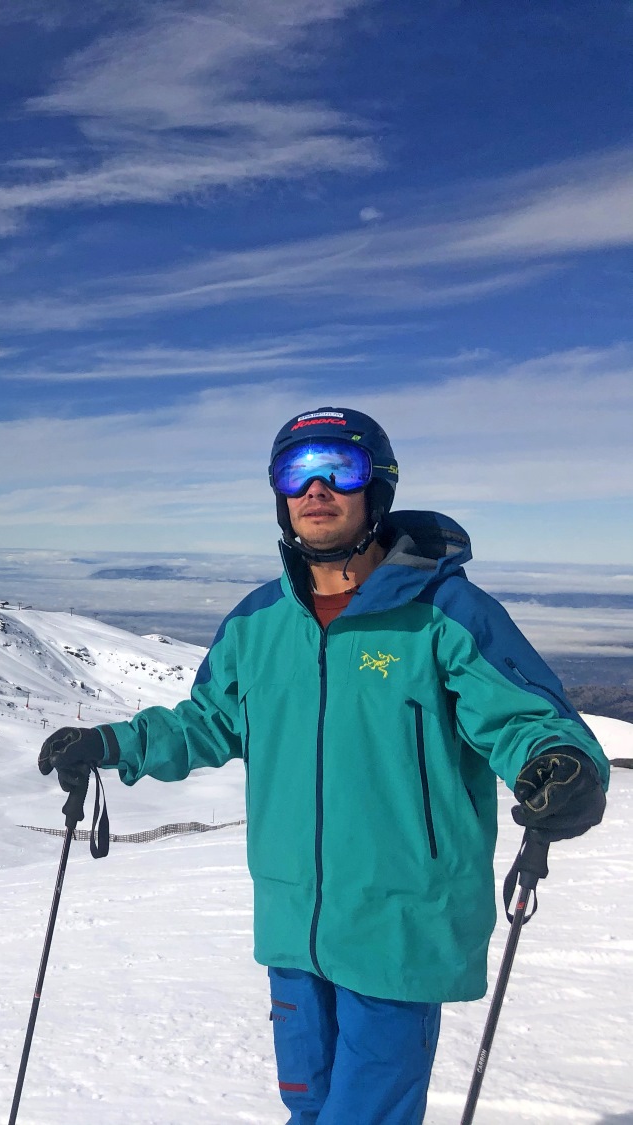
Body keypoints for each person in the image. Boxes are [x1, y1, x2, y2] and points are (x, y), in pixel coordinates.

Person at [38, 406, 609, 1125]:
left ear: (378, 487)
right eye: (295, 472)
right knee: (306, 1104)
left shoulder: (445, 613)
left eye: (339, 469)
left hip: (399, 922)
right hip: (291, 919)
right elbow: (210, 720)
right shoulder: (258, 622)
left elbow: (525, 717)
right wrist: (113, 744)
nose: (315, 489)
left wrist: (562, 765)